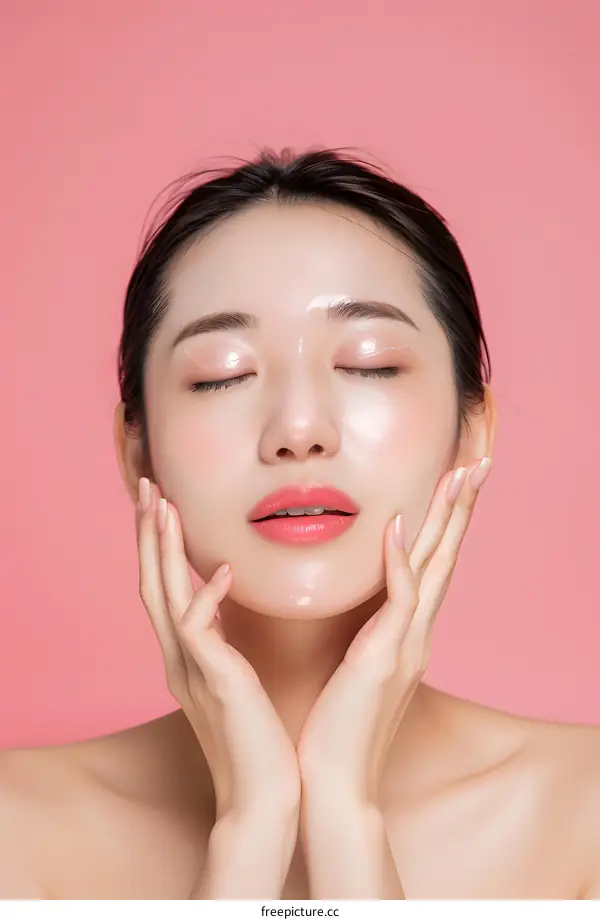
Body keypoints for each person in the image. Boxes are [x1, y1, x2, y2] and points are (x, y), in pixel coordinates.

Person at [1, 147, 599, 901]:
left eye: (372, 363)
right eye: (222, 372)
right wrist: (251, 827)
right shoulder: (15, 832)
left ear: (474, 429)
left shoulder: (586, 816)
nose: (299, 428)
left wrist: (347, 810)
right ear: (135, 449)